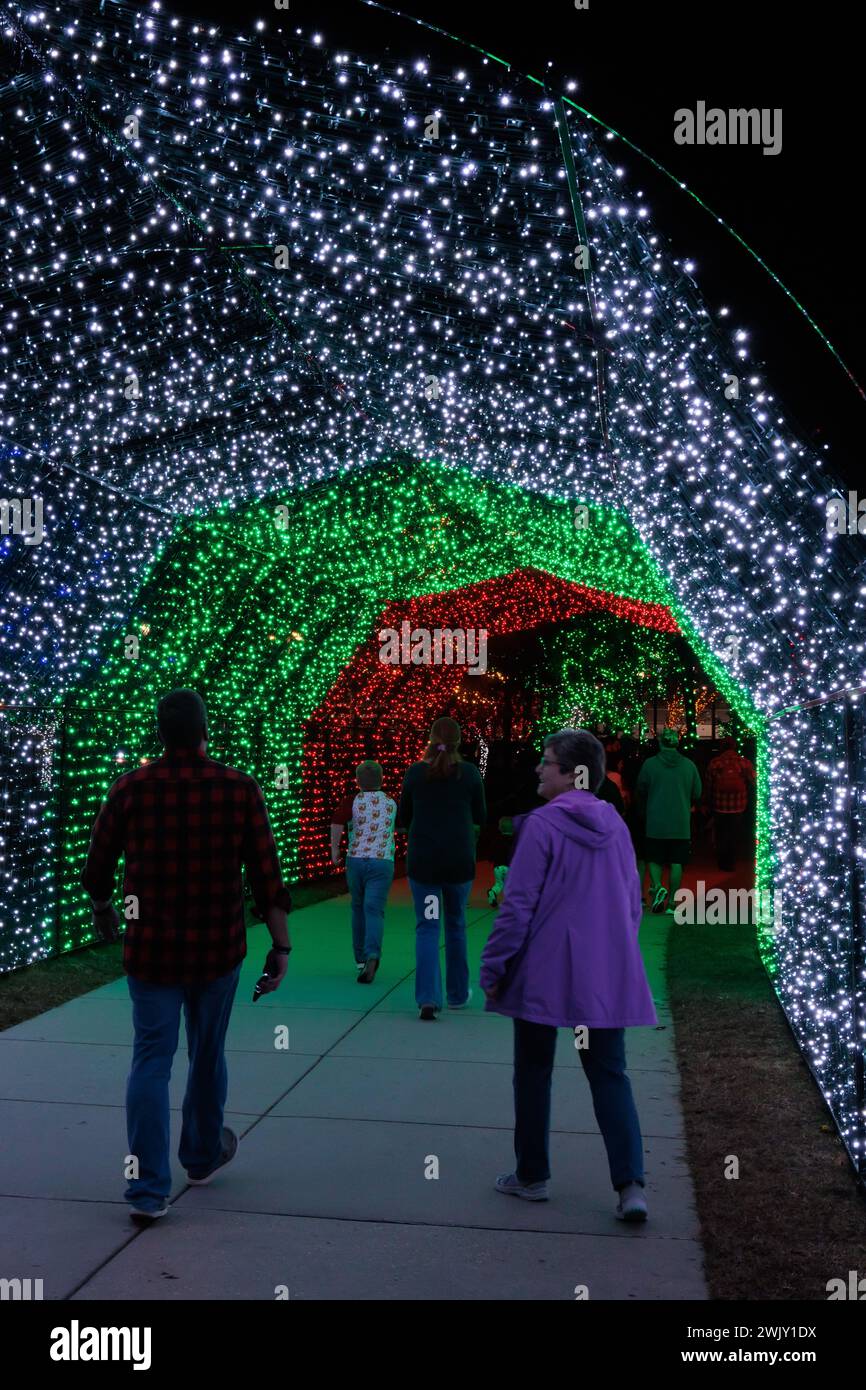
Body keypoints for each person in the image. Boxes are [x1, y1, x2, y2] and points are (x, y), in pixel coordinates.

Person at [81, 689, 293, 1224]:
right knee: (206, 1053)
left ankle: (147, 1190)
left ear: (160, 733)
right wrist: (281, 945)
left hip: (150, 950)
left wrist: (107, 905)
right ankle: (200, 1156)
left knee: (150, 1061)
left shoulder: (129, 789)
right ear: (205, 731)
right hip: (217, 951)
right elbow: (267, 878)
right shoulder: (238, 789)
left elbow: (98, 864)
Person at [479, 728, 657, 1222]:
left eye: (547, 761)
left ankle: (532, 1176)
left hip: (544, 971)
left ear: (573, 773)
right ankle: (631, 1187)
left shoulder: (541, 825)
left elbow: (517, 906)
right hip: (602, 973)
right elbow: (630, 902)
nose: (539, 768)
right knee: (609, 1074)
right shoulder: (616, 826)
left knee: (533, 1072)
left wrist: (494, 967)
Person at [398, 716, 486, 1020]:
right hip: (458, 861)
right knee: (456, 925)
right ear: (461, 741)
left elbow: (403, 817)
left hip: (425, 864)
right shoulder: (470, 774)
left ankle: (427, 997)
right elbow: (481, 815)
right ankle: (458, 994)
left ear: (430, 738)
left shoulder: (415, 774)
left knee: (428, 926)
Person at [330, 761, 396, 982]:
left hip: (356, 859)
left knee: (358, 907)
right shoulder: (391, 802)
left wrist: (335, 849)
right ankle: (372, 955)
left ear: (358, 780)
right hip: (382, 861)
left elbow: (337, 822)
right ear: (381, 779)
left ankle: (360, 958)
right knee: (374, 910)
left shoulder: (352, 801)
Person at [635, 727, 702, 914]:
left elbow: (641, 788)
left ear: (660, 742)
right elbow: (697, 792)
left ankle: (657, 887)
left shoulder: (650, 765)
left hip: (655, 821)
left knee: (654, 859)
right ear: (677, 743)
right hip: (680, 822)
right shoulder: (689, 765)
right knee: (676, 862)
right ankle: (672, 902)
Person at [703, 736, 756, 872]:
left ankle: (722, 861)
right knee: (734, 834)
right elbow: (753, 782)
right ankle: (731, 862)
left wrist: (708, 802)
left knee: (721, 834)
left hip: (719, 806)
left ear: (722, 747)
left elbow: (708, 785)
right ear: (734, 747)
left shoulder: (715, 763)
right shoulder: (744, 763)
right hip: (738, 806)